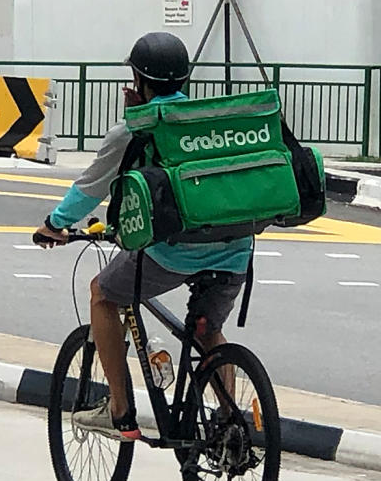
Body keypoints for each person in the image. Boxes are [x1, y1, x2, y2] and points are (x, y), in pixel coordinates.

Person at [34, 32, 252, 442]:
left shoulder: (134, 130)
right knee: (206, 331)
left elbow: (90, 189)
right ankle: (229, 424)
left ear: (138, 78)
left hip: (176, 252)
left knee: (103, 292)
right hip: (237, 248)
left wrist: (55, 224)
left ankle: (119, 411)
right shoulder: (210, 119)